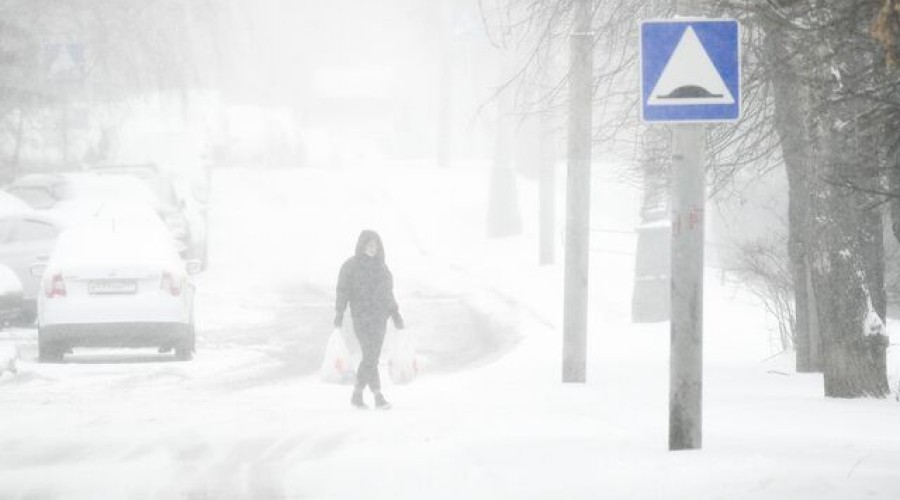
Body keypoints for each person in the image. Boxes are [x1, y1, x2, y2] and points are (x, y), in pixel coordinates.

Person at [334, 230, 404, 409]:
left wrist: (395, 313)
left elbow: (388, 293)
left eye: (376, 246)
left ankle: (357, 394)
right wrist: (339, 313)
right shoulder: (350, 267)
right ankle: (377, 395)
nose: (373, 249)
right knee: (370, 355)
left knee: (371, 357)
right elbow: (342, 291)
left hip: (379, 318)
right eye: (369, 245)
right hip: (361, 318)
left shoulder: (381, 268)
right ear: (362, 245)